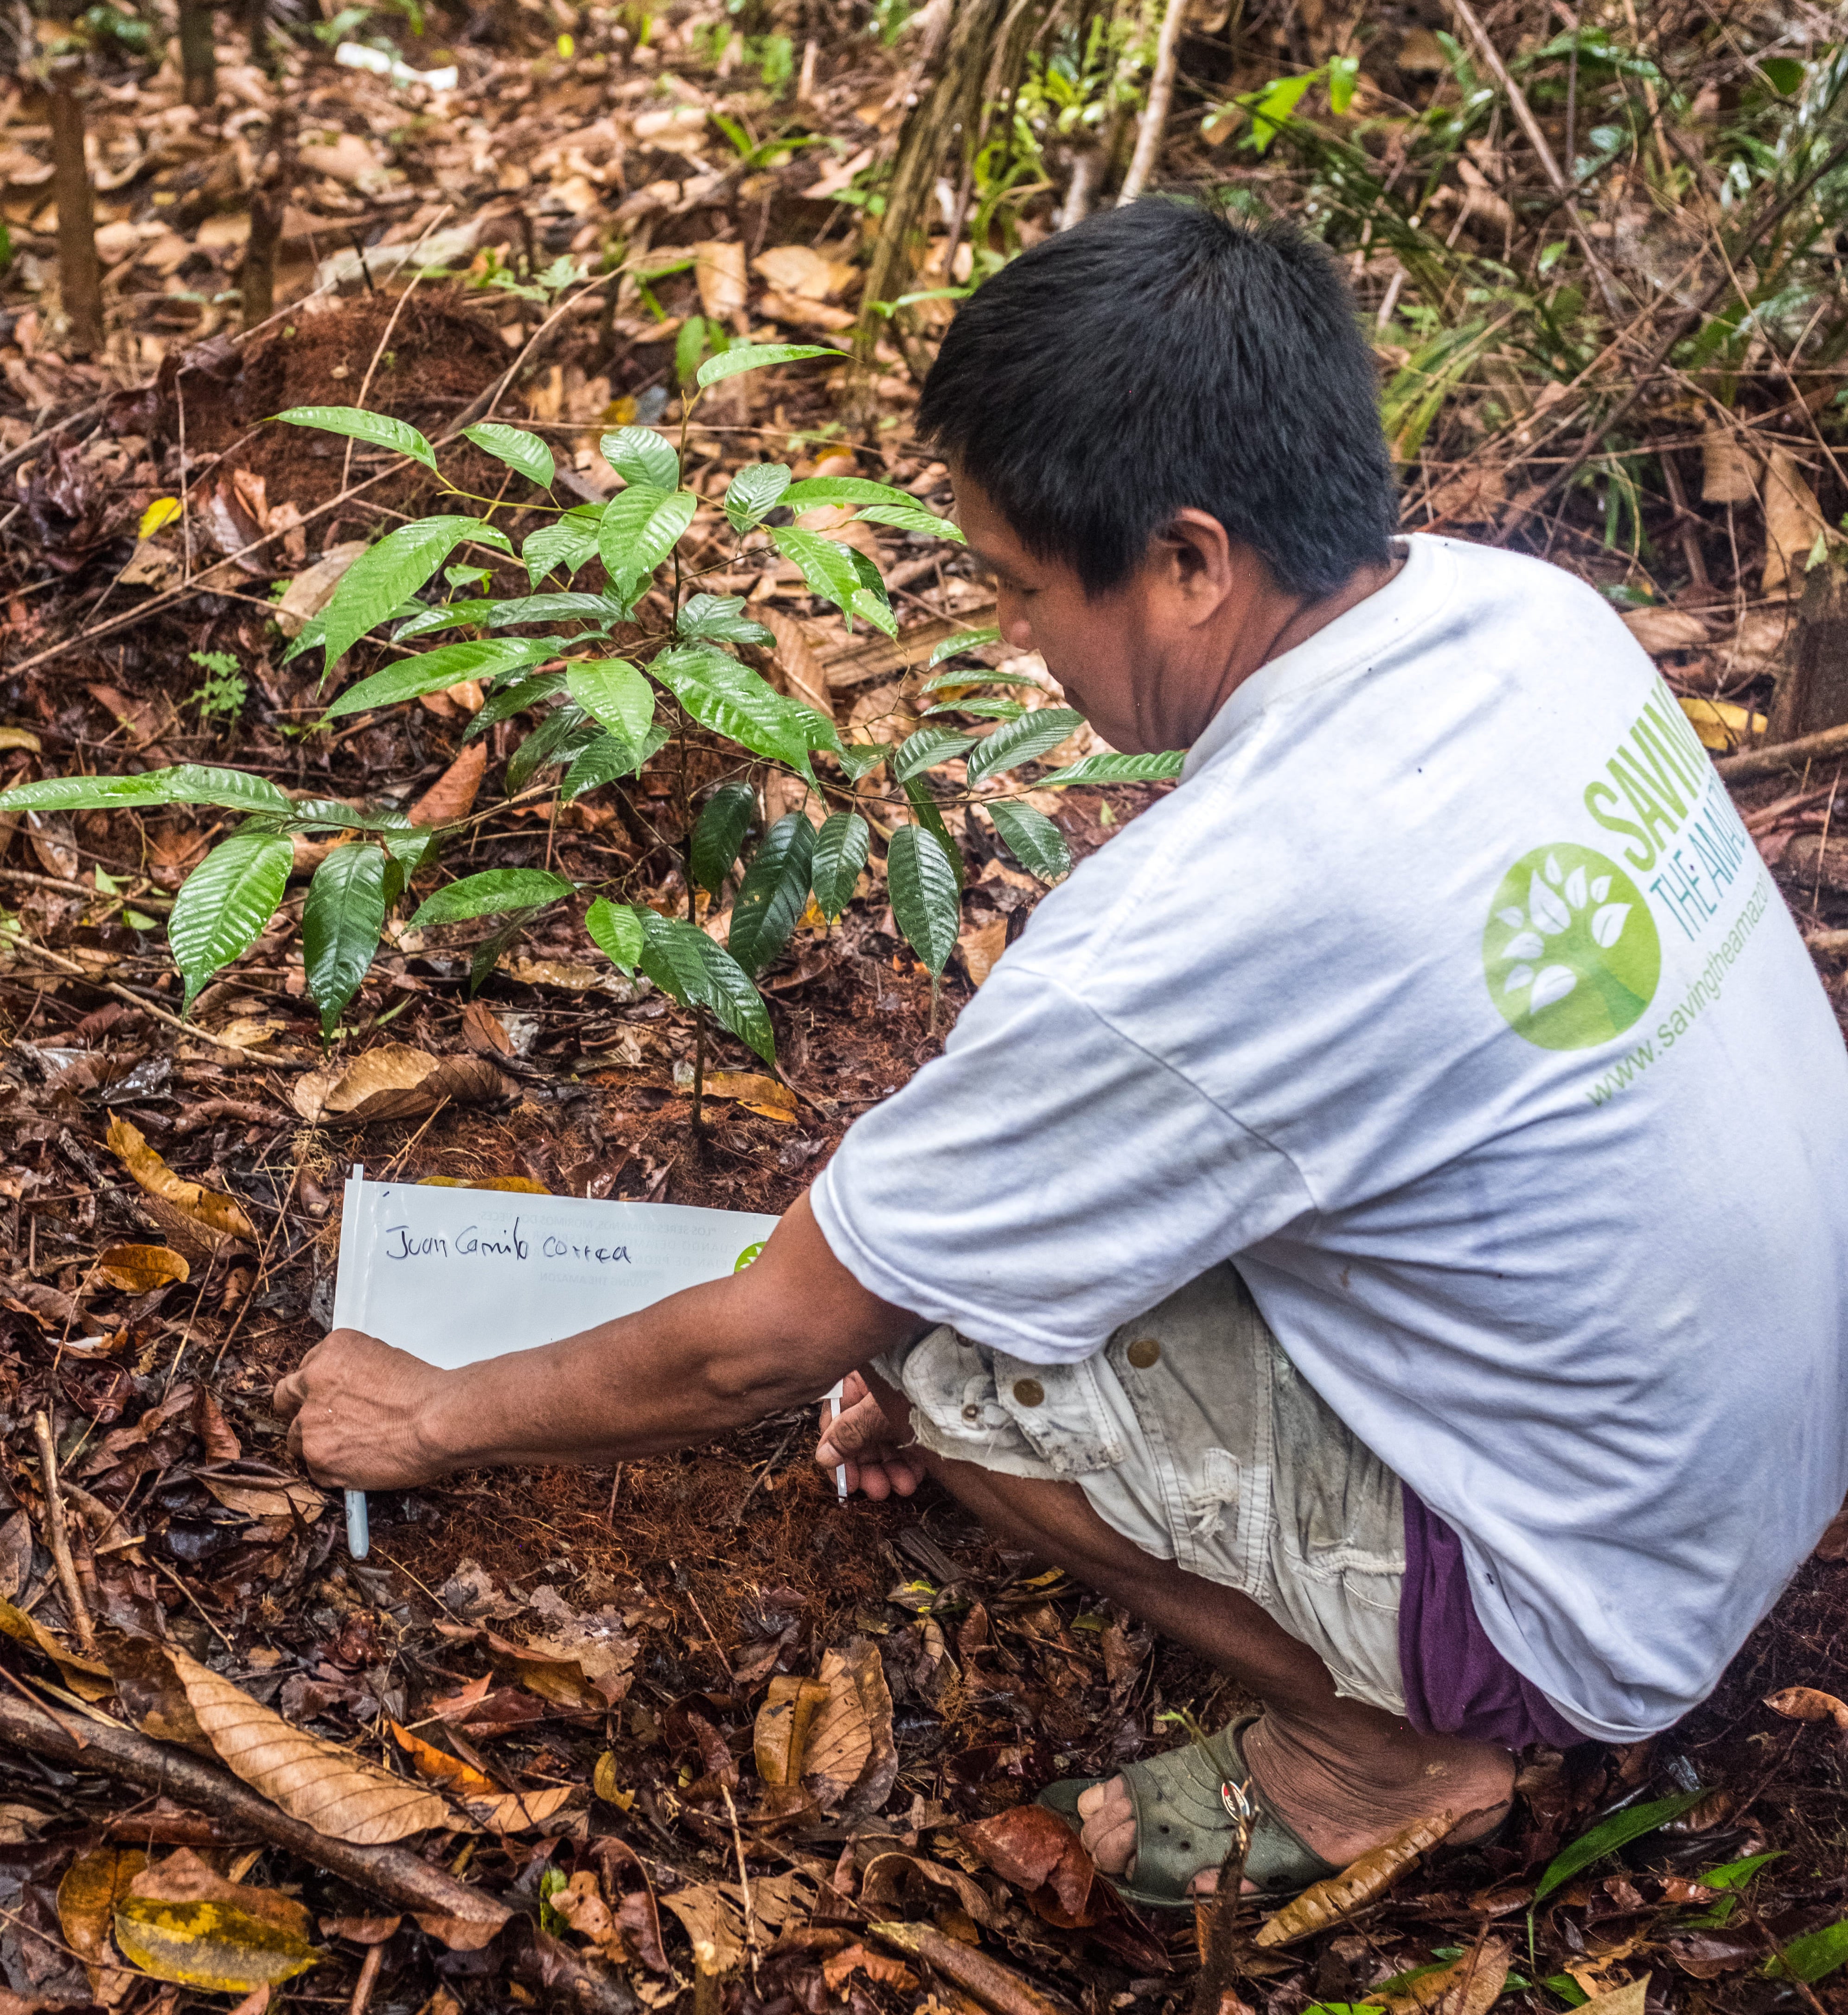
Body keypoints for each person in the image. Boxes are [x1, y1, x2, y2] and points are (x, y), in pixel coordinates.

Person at [275, 198, 1848, 1906]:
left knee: (942, 1360)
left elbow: (776, 1339)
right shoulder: (1517, 612)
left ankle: (1382, 1750)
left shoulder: (1225, 918)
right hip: (1764, 1430)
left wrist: (435, 1414)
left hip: (1586, 1598)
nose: (1019, 635)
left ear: (1186, 560)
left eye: (1022, 588)